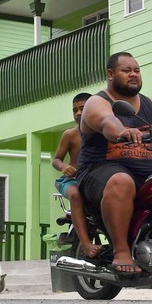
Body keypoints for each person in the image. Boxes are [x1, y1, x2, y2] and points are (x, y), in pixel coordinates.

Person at [75, 52, 152, 275]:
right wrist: (121, 130)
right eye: (126, 70)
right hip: (100, 171)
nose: (133, 74)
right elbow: (106, 120)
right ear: (110, 74)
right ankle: (121, 251)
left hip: (146, 173)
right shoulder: (97, 102)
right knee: (122, 181)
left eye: (137, 70)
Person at [53, 93, 101, 258]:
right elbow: (56, 160)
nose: (78, 113)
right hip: (71, 181)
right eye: (75, 110)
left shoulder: (104, 132)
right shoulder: (70, 135)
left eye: (83, 108)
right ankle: (86, 244)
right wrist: (64, 166)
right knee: (75, 195)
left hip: (94, 180)